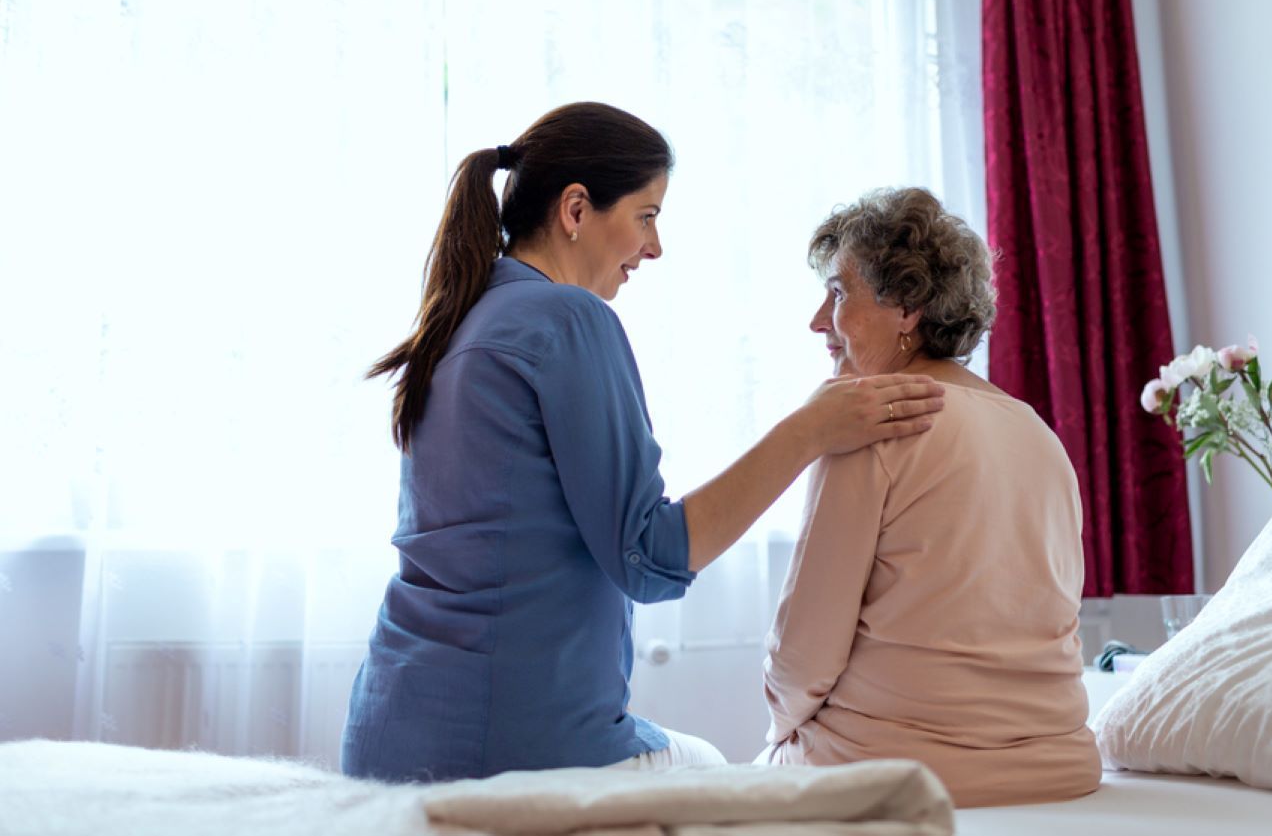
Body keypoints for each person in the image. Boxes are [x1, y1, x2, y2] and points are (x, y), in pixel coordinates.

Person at [340, 102, 945, 782]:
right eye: (647, 215)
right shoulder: (566, 318)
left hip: (386, 730)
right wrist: (811, 428)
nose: (654, 247)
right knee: (721, 769)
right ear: (576, 210)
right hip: (507, 747)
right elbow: (649, 556)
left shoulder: (464, 316)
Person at [761, 187, 1101, 807]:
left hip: (899, 769)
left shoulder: (870, 422)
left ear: (909, 309)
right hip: (1058, 766)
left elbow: (803, 660)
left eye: (838, 294)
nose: (818, 321)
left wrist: (778, 733)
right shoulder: (1038, 432)